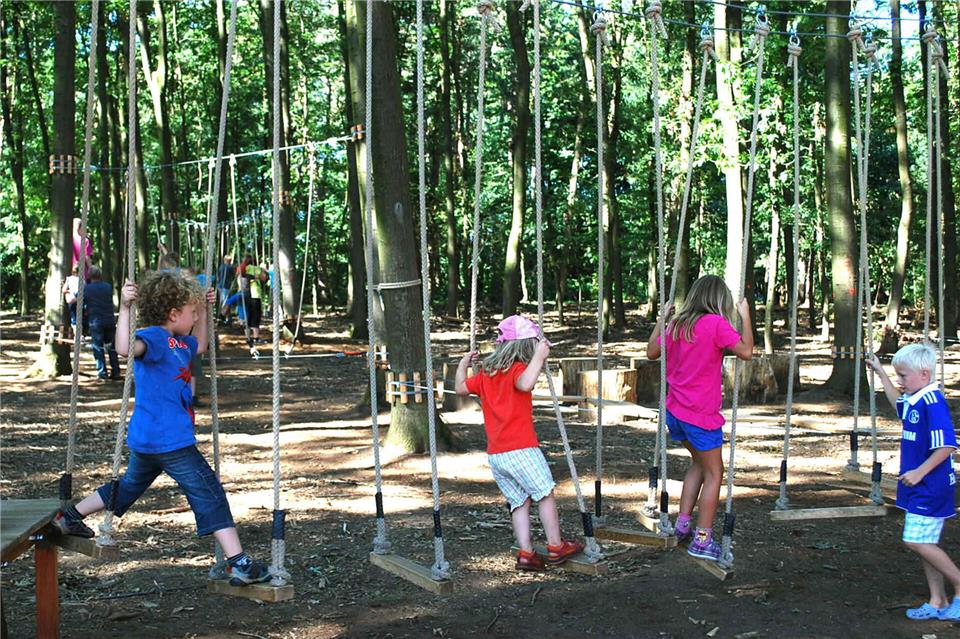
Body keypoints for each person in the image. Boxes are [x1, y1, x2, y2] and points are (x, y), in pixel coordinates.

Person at [50, 270, 271, 586]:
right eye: (191, 313)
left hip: (148, 441)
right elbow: (125, 349)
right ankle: (238, 562)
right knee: (208, 492)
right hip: (171, 442)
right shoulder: (153, 337)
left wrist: (205, 311)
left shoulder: (180, 342)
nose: (195, 317)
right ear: (172, 313)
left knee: (127, 486)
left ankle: (70, 517)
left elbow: (201, 347)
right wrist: (125, 309)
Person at [455, 315, 585, 571]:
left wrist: (462, 363)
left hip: (497, 455)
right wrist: (540, 356)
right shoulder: (516, 370)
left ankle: (526, 553)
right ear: (525, 348)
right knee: (545, 494)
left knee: (519, 501)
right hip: (521, 449)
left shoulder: (486, 375)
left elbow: (460, 388)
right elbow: (525, 383)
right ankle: (556, 546)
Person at [645, 274, 753, 561]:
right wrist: (745, 317)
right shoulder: (716, 324)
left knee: (698, 465)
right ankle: (702, 538)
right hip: (700, 416)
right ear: (718, 300)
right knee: (715, 473)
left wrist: (662, 320)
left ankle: (683, 524)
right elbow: (746, 352)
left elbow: (651, 351)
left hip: (675, 414)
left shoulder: (678, 325)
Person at [868, 343, 960, 621]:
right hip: (917, 485)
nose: (900, 381)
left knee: (915, 540)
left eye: (903, 376)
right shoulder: (915, 398)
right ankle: (938, 599)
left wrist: (920, 472)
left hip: (931, 486)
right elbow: (897, 403)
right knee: (925, 542)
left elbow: (946, 446)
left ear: (924, 373)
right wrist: (881, 374)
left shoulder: (932, 402)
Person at [83, 266, 121, 380]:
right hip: (109, 320)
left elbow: (80, 299)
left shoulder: (87, 289)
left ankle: (102, 372)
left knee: (98, 347)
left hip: (96, 321)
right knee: (112, 347)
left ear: (90, 276)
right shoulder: (107, 287)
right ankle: (116, 371)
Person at [242, 260, 268, 346]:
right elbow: (264, 278)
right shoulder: (256, 268)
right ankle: (256, 337)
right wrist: (263, 270)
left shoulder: (243, 268)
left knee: (248, 316)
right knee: (256, 316)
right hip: (255, 295)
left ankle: (248, 338)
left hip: (245, 294)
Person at [62, 263, 81, 339]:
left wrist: (68, 291)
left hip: (72, 300)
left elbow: (63, 290)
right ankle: (80, 335)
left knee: (74, 319)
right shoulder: (82, 280)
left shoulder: (69, 279)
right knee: (79, 318)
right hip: (79, 300)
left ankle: (77, 335)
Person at [216, 254, 236, 321]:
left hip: (220, 286)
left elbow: (218, 276)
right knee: (226, 302)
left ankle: (227, 317)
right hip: (226, 286)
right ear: (229, 261)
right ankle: (223, 316)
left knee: (222, 301)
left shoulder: (221, 267)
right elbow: (234, 277)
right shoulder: (230, 267)